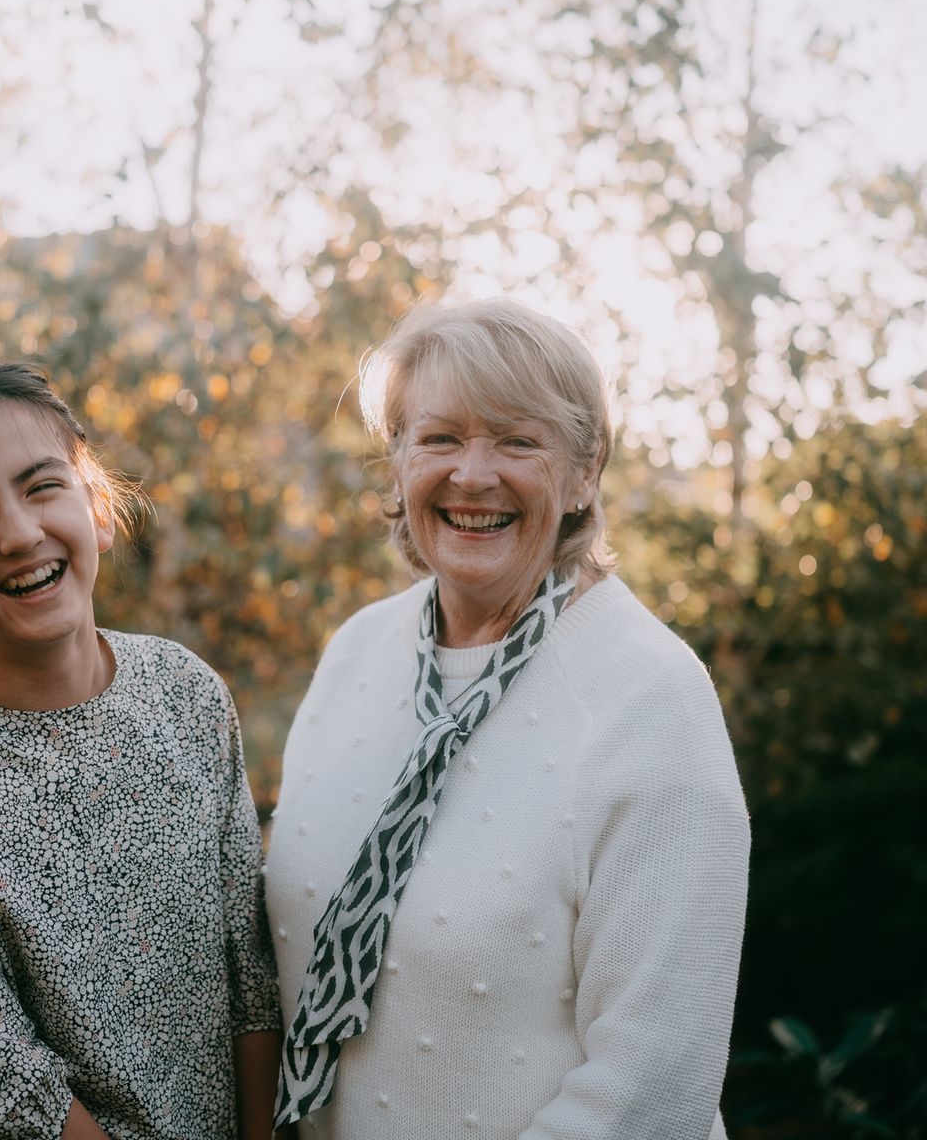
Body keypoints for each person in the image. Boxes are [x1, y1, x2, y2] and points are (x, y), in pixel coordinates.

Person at [265, 299, 749, 1139]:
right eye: (441, 438)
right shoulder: (355, 652)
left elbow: (653, 1084)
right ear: (400, 461)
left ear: (585, 470)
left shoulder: (651, 696)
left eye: (518, 441)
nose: (473, 474)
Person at [0, 362, 282, 1140]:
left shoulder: (188, 695)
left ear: (97, 508)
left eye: (41, 486)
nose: (19, 533)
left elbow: (250, 978)